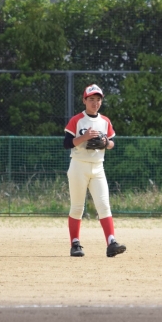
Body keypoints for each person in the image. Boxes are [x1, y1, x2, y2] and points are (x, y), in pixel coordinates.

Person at [63, 84, 126, 258]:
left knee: (104, 205)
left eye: (98, 99)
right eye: (91, 99)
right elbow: (66, 143)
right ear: (84, 100)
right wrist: (84, 137)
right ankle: (75, 244)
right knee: (77, 207)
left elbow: (112, 143)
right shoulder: (77, 120)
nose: (95, 102)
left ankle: (111, 243)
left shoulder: (105, 121)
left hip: (98, 167)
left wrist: (105, 143)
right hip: (79, 166)